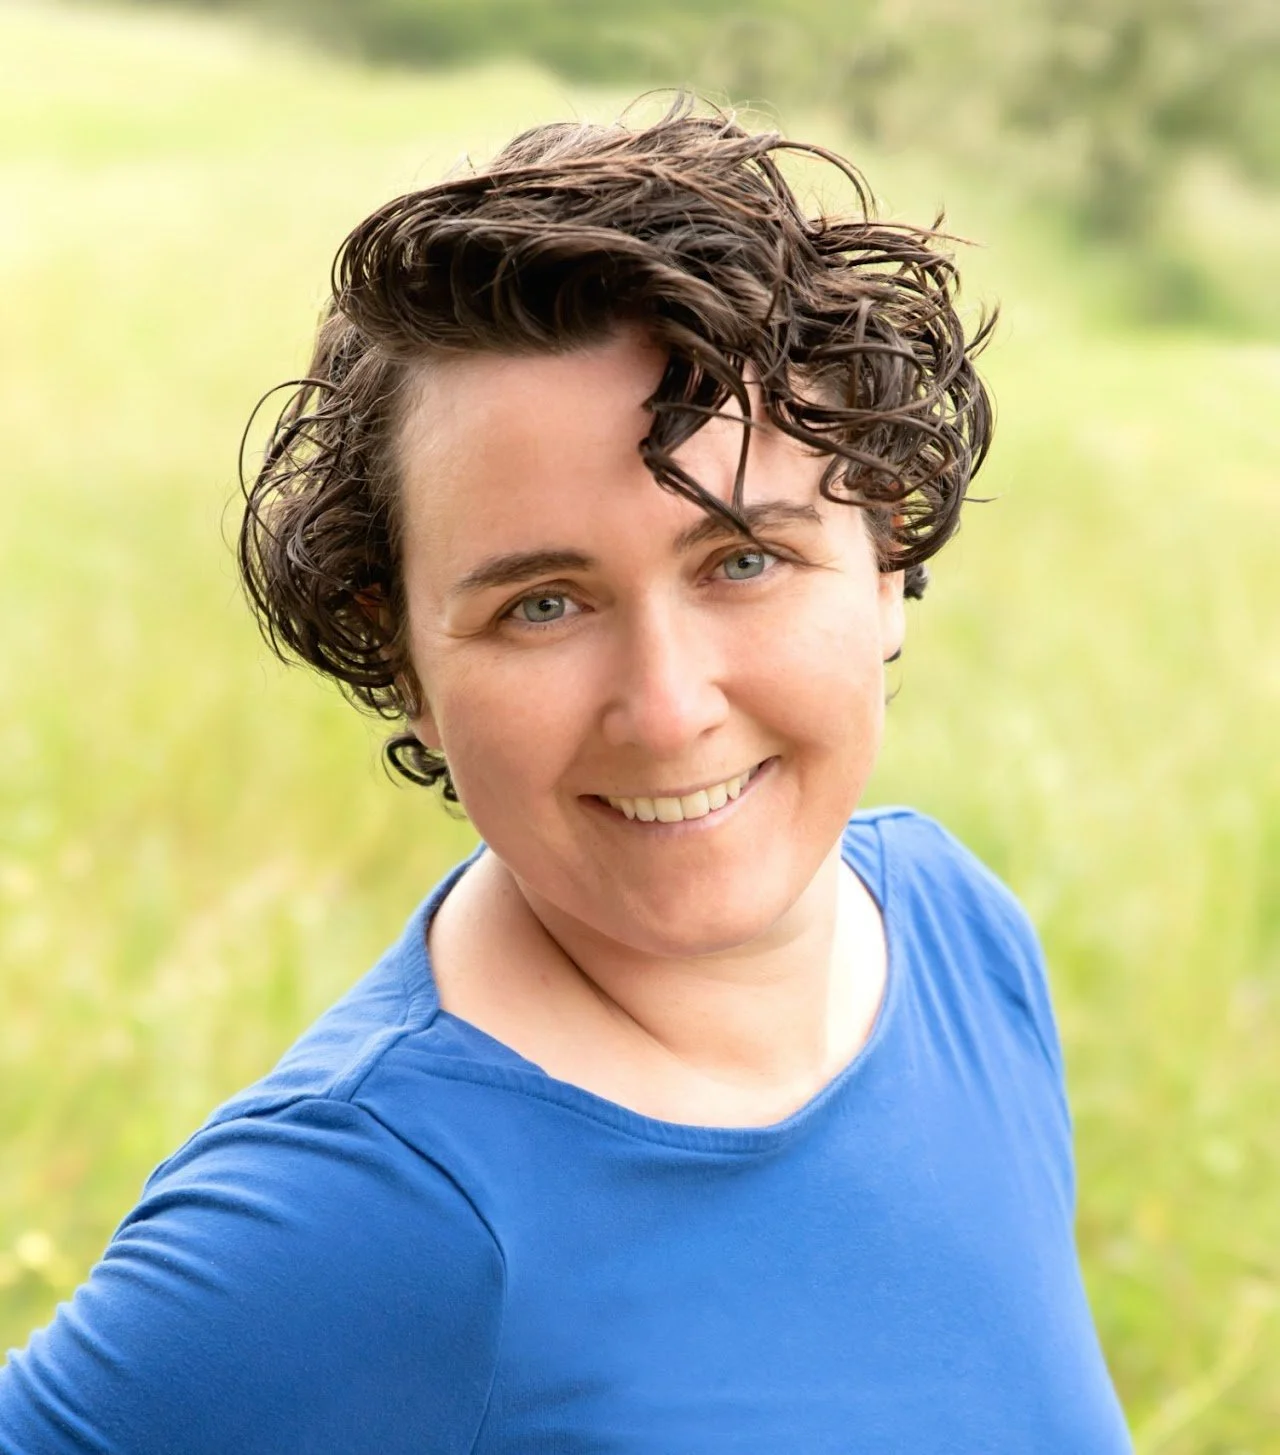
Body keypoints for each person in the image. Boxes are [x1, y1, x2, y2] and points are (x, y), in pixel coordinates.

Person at [0, 96, 1133, 1452]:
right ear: (401, 650)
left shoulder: (959, 934)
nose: (665, 711)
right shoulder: (365, 1206)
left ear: (886, 549)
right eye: (542, 603)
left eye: (743, 560)